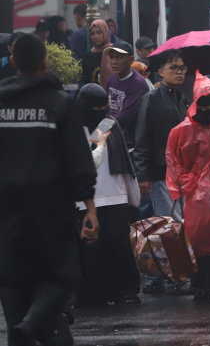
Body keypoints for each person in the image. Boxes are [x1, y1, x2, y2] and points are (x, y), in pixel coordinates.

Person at [0, 33, 97, 346]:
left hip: (5, 213)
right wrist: (90, 207)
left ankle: (23, 329)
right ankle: (32, 324)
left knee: (12, 284)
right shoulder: (59, 104)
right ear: (45, 61)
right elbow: (78, 159)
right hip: (50, 209)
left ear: (13, 61)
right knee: (62, 274)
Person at [166, 76, 210, 300]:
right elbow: (174, 161)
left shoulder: (184, 129)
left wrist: (183, 184)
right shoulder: (184, 130)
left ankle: (208, 286)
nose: (207, 108)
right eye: (203, 103)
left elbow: (173, 162)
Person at [73, 83, 141, 307]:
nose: (101, 111)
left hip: (115, 196)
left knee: (119, 246)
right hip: (85, 199)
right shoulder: (73, 127)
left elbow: (124, 161)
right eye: (96, 107)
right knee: (93, 251)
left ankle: (126, 290)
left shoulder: (108, 123)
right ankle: (98, 293)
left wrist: (133, 197)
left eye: (104, 107)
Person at [134, 51, 189, 218]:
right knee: (169, 225)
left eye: (182, 68)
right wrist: (143, 174)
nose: (179, 72)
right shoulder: (151, 98)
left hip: (182, 172)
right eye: (173, 68)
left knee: (183, 223)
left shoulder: (181, 98)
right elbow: (142, 137)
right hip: (160, 172)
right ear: (161, 72)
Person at [105, 41, 149, 150]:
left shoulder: (138, 85)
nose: (114, 62)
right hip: (113, 136)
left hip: (130, 145)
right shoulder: (112, 79)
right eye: (112, 57)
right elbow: (105, 106)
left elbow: (125, 117)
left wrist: (100, 129)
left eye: (119, 58)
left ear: (130, 59)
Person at [81, 19, 114, 87]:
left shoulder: (114, 53)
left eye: (99, 33)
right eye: (92, 34)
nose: (95, 36)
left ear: (105, 32)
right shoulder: (88, 57)